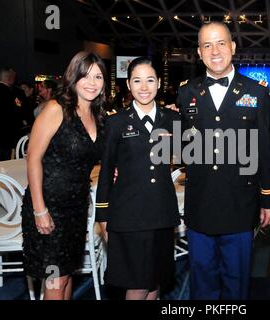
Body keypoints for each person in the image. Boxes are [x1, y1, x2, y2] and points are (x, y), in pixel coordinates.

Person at [175, 21, 270, 299]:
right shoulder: (187, 92)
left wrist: (267, 199)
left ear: (232, 47)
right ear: (199, 52)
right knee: (201, 281)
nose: (214, 50)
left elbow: (264, 150)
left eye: (220, 43)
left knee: (237, 282)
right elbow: (178, 142)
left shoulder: (257, 92)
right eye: (207, 45)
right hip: (200, 203)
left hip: (240, 205)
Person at [21, 51, 106, 300]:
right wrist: (39, 209)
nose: (92, 83)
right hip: (49, 206)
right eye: (85, 76)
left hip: (76, 208)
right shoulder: (56, 108)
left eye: (98, 77)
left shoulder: (97, 116)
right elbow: (33, 158)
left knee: (66, 275)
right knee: (56, 279)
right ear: (73, 78)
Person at [95, 57, 179, 300]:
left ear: (159, 83)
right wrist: (102, 215)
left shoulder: (172, 119)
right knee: (137, 284)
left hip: (162, 213)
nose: (144, 87)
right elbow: (106, 172)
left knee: (155, 281)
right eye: (137, 81)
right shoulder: (116, 122)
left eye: (150, 80)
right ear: (129, 85)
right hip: (129, 215)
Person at [0, 67, 19, 160]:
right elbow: (17, 111)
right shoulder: (10, 93)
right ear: (8, 78)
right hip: (5, 137)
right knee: (3, 165)